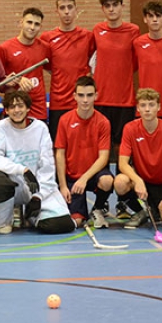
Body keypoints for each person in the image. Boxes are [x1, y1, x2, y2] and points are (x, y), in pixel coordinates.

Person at [0, 90, 75, 234]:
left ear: (28, 108)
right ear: (6, 110)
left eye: (20, 106)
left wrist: (38, 196)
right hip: (12, 185)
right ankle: (5, 218)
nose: (16, 110)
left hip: (38, 186)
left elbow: (48, 167)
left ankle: (32, 215)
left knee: (62, 225)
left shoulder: (41, 128)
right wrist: (22, 170)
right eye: (12, 107)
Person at [113, 89, 162, 229]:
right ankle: (141, 211)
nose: (147, 109)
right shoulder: (130, 128)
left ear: (159, 107)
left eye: (151, 105)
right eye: (143, 105)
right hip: (141, 184)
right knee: (120, 182)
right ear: (138, 108)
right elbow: (122, 163)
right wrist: (138, 180)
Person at [54, 77, 113, 228]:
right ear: (74, 96)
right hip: (72, 177)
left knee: (107, 181)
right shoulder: (64, 120)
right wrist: (62, 185)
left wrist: (85, 178)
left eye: (89, 95)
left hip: (92, 175)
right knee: (77, 221)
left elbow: (104, 157)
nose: (85, 100)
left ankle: (98, 209)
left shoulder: (103, 122)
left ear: (96, 96)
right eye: (81, 95)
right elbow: (60, 154)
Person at [40, 0, 95, 142]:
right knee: (59, 146)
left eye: (70, 7)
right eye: (62, 8)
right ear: (56, 11)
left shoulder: (88, 36)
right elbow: (49, 66)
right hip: (59, 102)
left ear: (76, 10)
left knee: (84, 145)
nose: (66, 12)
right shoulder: (47, 38)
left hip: (82, 101)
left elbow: (94, 62)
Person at [92, 0, 140, 148]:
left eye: (115, 5)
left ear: (122, 6)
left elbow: (137, 60)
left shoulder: (134, 30)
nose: (111, 9)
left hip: (125, 100)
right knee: (101, 147)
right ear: (103, 9)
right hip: (101, 99)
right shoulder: (97, 30)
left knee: (122, 147)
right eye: (107, 6)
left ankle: (123, 174)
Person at [0, 7, 51, 121]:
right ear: (21, 23)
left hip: (38, 109)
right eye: (29, 22)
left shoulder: (45, 47)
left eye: (36, 24)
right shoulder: (5, 48)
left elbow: (53, 70)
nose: (32, 27)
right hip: (14, 108)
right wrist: (16, 79)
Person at [133, 0, 162, 127]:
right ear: (145, 19)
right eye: (151, 16)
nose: (154, 20)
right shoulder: (137, 43)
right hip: (145, 108)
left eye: (158, 16)